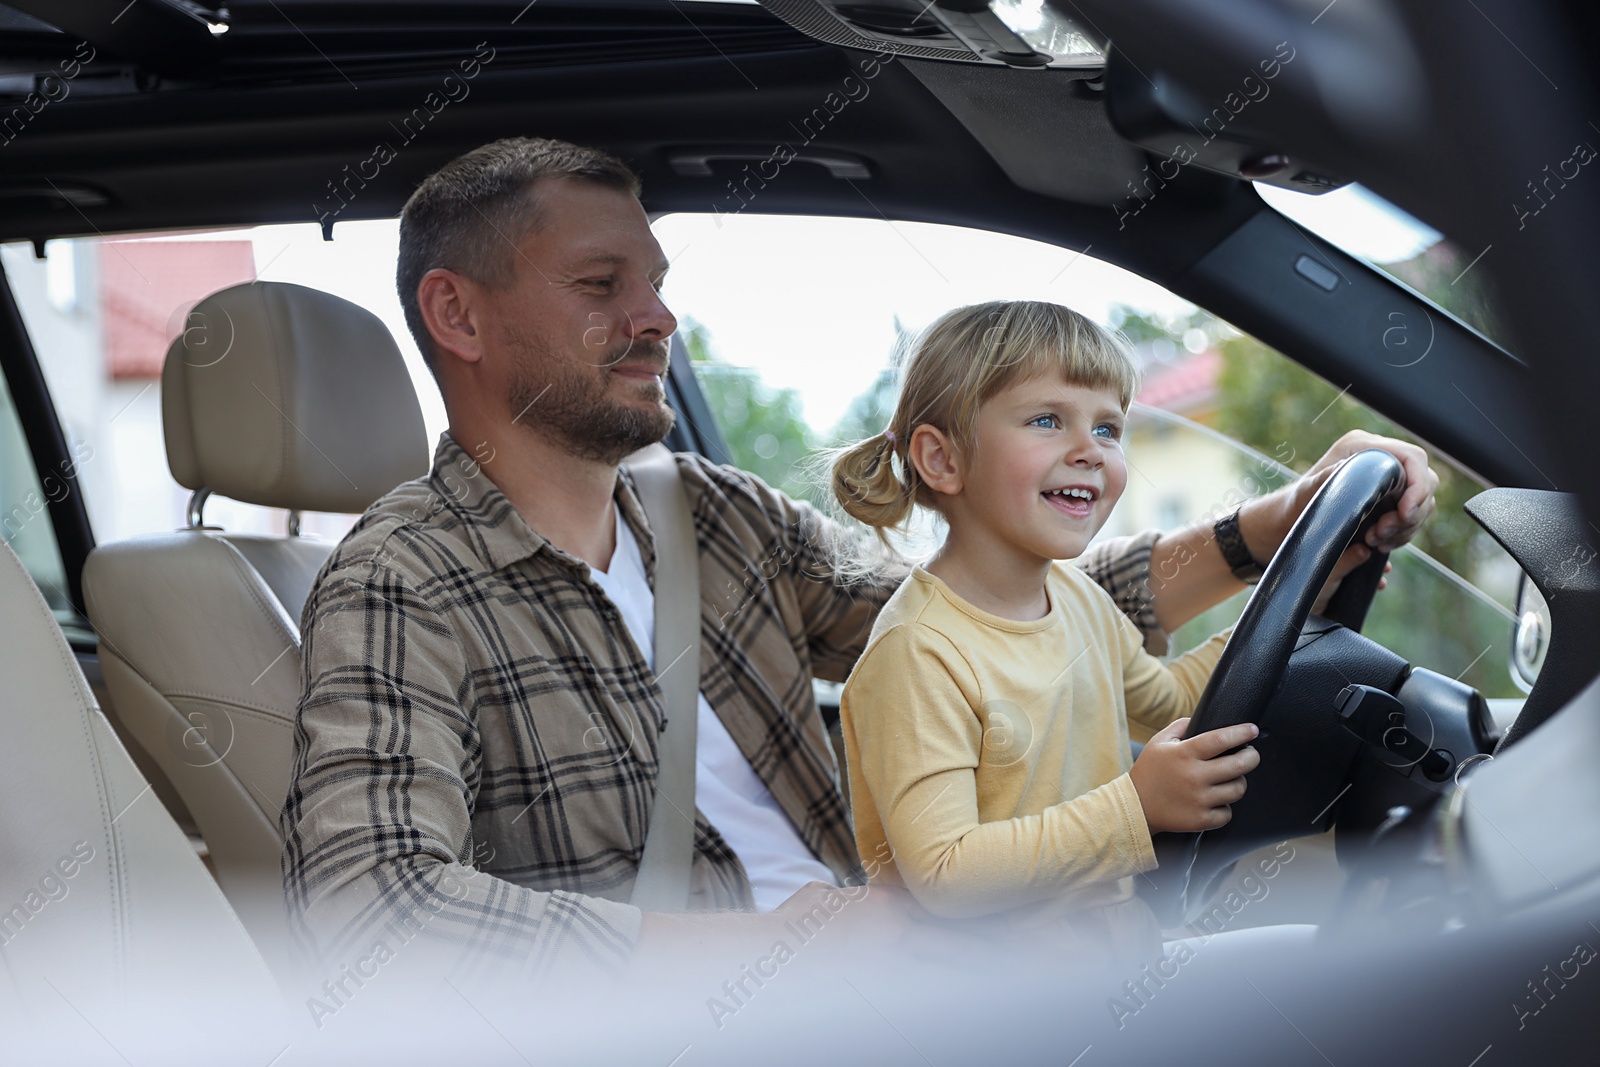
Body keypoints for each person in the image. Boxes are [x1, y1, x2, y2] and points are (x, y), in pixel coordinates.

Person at [280, 136, 1439, 980]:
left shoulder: (715, 517)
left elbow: (996, 614)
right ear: (460, 315)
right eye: (600, 286)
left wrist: (1267, 530)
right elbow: (373, 905)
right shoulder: (399, 584)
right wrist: (775, 951)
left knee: (1355, 933)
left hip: (910, 974)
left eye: (656, 283)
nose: (658, 319)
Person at [833, 300, 1255, 968]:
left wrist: (1289, 610)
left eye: (1109, 427)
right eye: (1048, 420)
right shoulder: (918, 650)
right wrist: (1136, 805)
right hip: (999, 1003)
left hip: (1111, 961)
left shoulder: (1078, 598)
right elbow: (946, 870)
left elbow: (1173, 700)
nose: (1090, 450)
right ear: (942, 459)